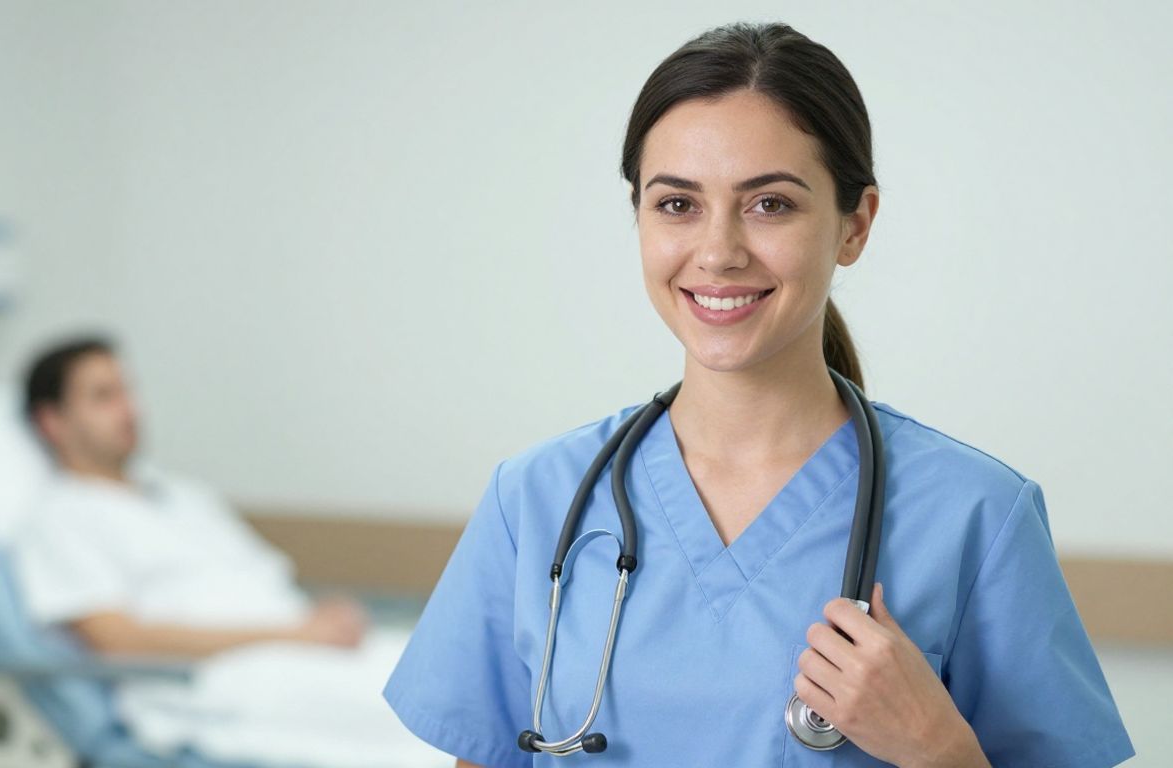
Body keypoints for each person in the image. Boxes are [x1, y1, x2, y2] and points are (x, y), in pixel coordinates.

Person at [382, 21, 1135, 768]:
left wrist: (939, 751)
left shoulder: (975, 515)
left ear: (854, 226)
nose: (718, 252)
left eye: (769, 204)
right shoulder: (537, 500)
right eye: (677, 204)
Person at [10, 336, 449, 767]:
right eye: (103, 397)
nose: (130, 409)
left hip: (301, 648)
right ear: (52, 422)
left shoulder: (180, 496)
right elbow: (117, 641)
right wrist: (296, 635)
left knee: (465, 670)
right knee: (436, 713)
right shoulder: (60, 517)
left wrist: (320, 620)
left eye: (127, 390)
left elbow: (260, 584)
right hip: (214, 683)